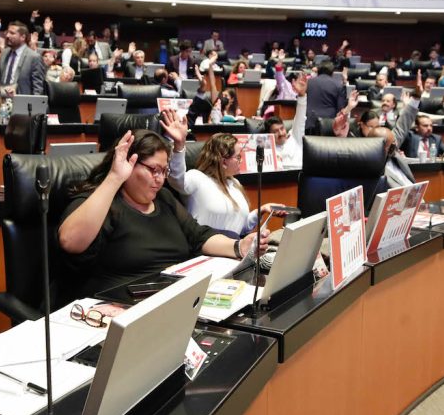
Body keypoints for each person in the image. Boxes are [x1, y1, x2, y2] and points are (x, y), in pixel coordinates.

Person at [56, 130, 268, 303]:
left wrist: (239, 246)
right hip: (120, 307)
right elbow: (70, 242)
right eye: (153, 170)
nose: (159, 179)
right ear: (127, 163)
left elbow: (198, 235)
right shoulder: (101, 201)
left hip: (173, 298)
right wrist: (114, 178)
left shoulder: (163, 198)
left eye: (164, 171)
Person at [163, 118, 284, 236]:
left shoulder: (235, 184)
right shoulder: (197, 178)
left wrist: (261, 210)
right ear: (224, 161)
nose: (241, 161)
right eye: (238, 157)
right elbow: (176, 179)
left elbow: (240, 228)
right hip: (205, 248)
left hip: (233, 248)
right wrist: (179, 146)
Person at [262, 73, 308, 169]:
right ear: (269, 135)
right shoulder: (268, 151)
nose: (281, 133)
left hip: (300, 176)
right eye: (275, 131)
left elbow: (300, 116)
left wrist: (302, 95)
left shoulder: (295, 136)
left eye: (282, 128)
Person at [0, 21, 45, 97]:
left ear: (23, 37)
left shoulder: (34, 57)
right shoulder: (4, 53)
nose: (7, 35)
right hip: (1, 101)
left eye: (12, 33)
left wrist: (33, 107)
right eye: (7, 32)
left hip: (22, 102)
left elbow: (38, 89)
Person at [305, 60, 347, 134]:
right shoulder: (338, 85)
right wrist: (344, 82)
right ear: (332, 72)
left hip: (308, 122)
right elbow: (341, 108)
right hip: (328, 124)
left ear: (318, 71)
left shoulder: (308, 82)